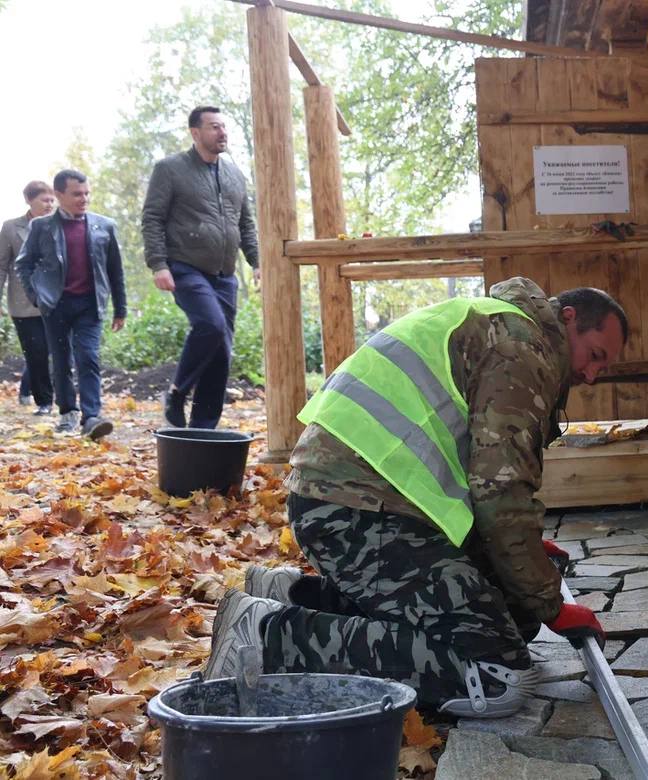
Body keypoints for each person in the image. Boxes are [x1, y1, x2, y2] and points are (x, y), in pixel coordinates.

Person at [204, 277, 624, 716]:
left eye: (602, 368)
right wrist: (552, 605)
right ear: (569, 318)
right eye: (594, 356)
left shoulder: (495, 323)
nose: (591, 375)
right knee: (497, 675)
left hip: (357, 502)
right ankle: (267, 636)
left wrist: (525, 565)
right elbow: (502, 490)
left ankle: (294, 596)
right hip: (357, 511)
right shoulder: (522, 347)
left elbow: (483, 478)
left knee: (513, 615)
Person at [141, 105, 259, 430]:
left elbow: (246, 224)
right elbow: (152, 218)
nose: (222, 133)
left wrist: (257, 262)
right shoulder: (170, 169)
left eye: (224, 127)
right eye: (214, 127)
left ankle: (202, 429)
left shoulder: (235, 175)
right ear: (195, 133)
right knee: (210, 325)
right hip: (185, 266)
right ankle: (177, 392)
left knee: (221, 352)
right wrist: (158, 264)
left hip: (225, 274)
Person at [16, 170, 125, 439]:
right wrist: (37, 297)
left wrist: (120, 308)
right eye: (77, 194)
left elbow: (115, 271)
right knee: (62, 359)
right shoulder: (41, 227)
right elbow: (24, 264)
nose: (84, 198)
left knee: (89, 357)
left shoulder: (105, 226)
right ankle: (67, 414)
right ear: (59, 195)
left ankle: (92, 417)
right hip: (56, 305)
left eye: (87, 193)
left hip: (90, 305)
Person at [0, 181, 55, 415]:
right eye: (44, 200)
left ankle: (26, 386)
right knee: (36, 351)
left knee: (49, 350)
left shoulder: (58, 224)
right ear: (29, 201)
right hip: (23, 302)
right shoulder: (11, 227)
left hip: (55, 299)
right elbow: (1, 265)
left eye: (52, 200)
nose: (49, 204)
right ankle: (45, 402)